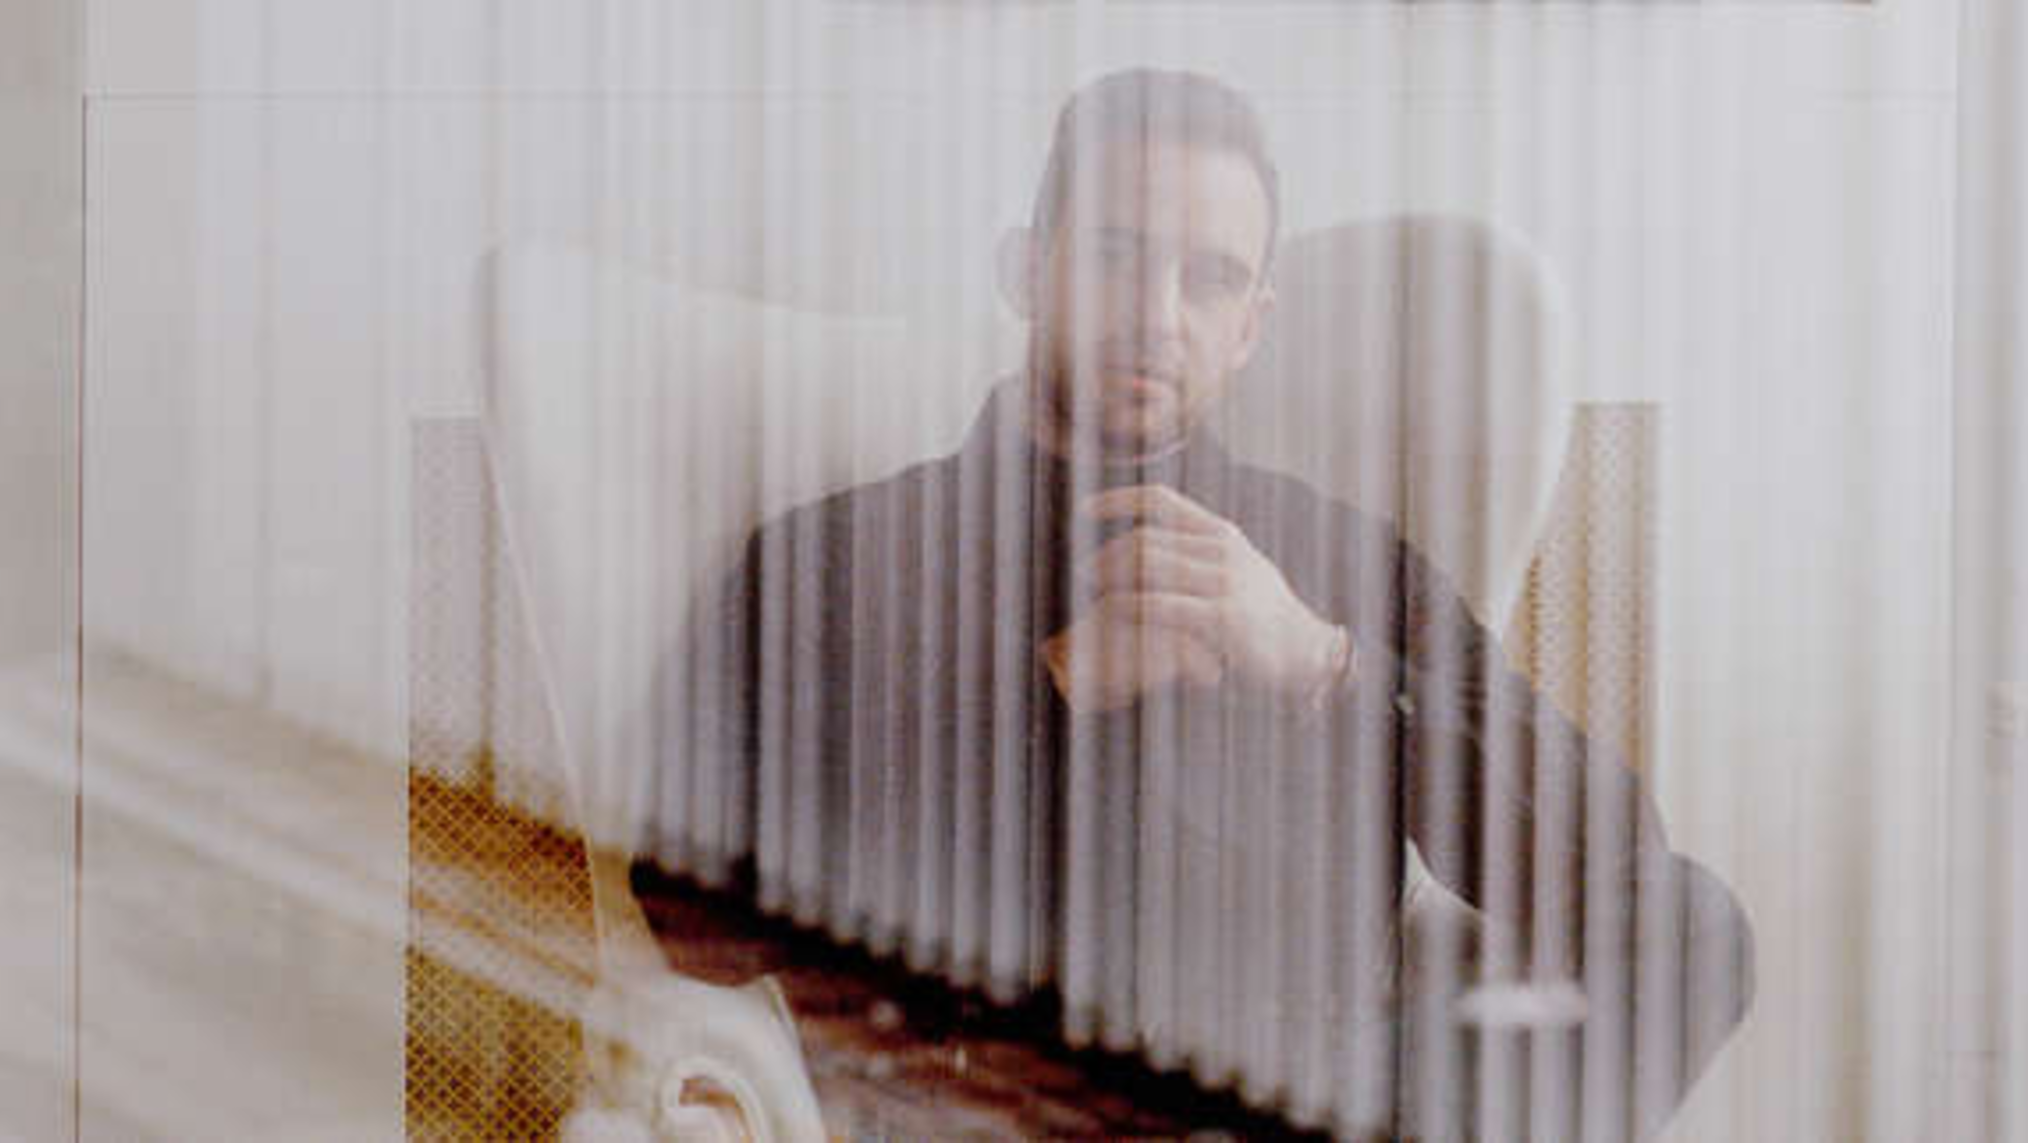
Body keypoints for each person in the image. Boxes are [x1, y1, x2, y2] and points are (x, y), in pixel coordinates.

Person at [642, 68, 1753, 1139]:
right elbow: (684, 909)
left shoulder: (1347, 562)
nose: (1157, 316)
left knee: (1697, 929)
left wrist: (1325, 666)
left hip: (1318, 1100)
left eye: (1210, 278)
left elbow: (1613, 851)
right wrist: (1047, 692)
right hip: (996, 1099)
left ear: (1252, 325)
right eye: (1115, 255)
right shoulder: (830, 558)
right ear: (1026, 270)